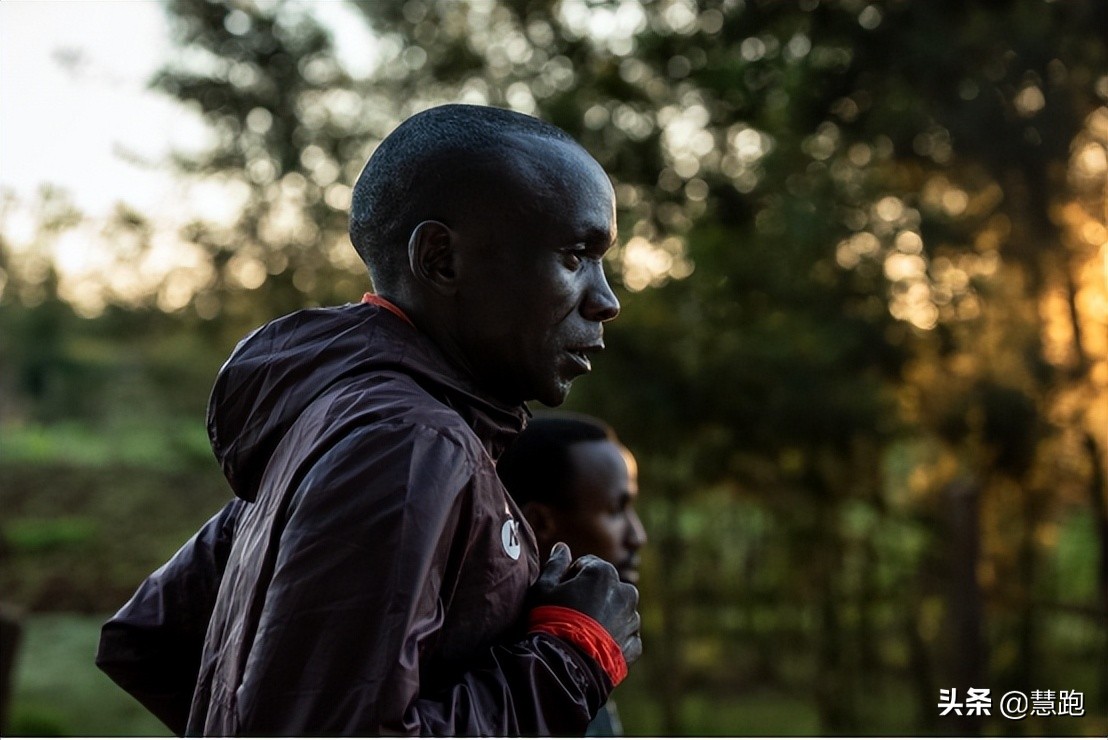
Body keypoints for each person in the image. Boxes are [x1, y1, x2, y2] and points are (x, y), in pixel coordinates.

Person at [95, 104, 641, 736]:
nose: (607, 300)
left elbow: (152, 639)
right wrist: (573, 656)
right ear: (441, 259)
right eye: (576, 255)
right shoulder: (406, 442)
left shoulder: (343, 417)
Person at [497, 414, 647, 736]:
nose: (637, 535)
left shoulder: (577, 653)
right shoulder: (513, 668)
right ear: (538, 523)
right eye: (616, 510)